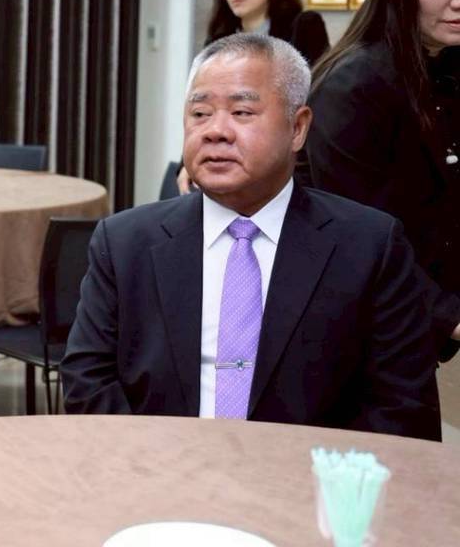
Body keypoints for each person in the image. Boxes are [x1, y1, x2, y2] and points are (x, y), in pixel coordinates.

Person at [61, 33, 442, 441]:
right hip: (158, 467)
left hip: (310, 473)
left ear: (298, 128)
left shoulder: (369, 246)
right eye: (200, 113)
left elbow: (401, 405)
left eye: (242, 112)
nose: (215, 131)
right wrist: (154, 463)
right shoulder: (125, 242)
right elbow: (88, 379)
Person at [300, 0, 460, 361]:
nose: (458, 0)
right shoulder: (354, 84)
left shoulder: (444, 62)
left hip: (409, 326)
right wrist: (450, 316)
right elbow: (355, 236)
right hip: (346, 331)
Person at [172, 0, 329, 197]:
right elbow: (203, 109)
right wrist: (187, 161)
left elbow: (315, 107)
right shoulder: (218, 39)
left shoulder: (304, 27)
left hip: (291, 167)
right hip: (227, 162)